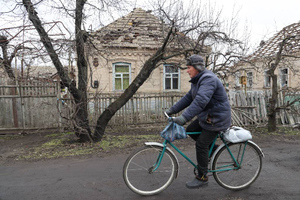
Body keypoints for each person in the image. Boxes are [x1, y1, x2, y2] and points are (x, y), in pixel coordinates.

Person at [165, 54, 231, 189]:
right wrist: (171, 110)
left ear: (197, 67)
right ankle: (214, 151)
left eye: (189, 68)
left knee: (201, 144)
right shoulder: (197, 80)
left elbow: (200, 101)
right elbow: (188, 98)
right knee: (190, 130)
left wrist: (183, 118)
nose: (187, 70)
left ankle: (202, 177)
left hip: (216, 119)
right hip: (207, 117)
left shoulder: (208, 79)